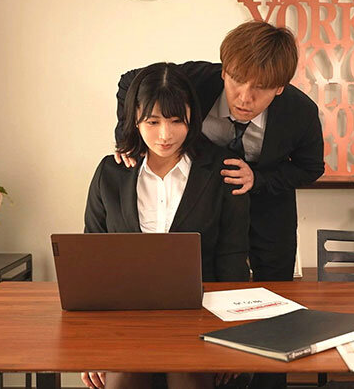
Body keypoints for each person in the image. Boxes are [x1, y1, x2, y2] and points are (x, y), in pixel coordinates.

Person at [115, 21, 325, 284]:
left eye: (260, 87)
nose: (244, 98)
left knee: (276, 287)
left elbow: (310, 167)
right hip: (205, 203)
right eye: (238, 80)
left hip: (268, 207)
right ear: (224, 72)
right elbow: (129, 83)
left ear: (280, 87)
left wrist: (258, 179)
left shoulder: (300, 112)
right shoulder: (196, 80)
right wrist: (128, 138)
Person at [82, 62, 250, 389]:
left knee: (189, 375)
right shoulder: (110, 173)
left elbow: (232, 259)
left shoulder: (221, 170)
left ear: (192, 117)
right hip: (125, 320)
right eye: (153, 121)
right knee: (123, 378)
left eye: (176, 121)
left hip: (200, 317)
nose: (165, 135)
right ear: (134, 118)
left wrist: (234, 339)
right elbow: (91, 265)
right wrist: (90, 345)